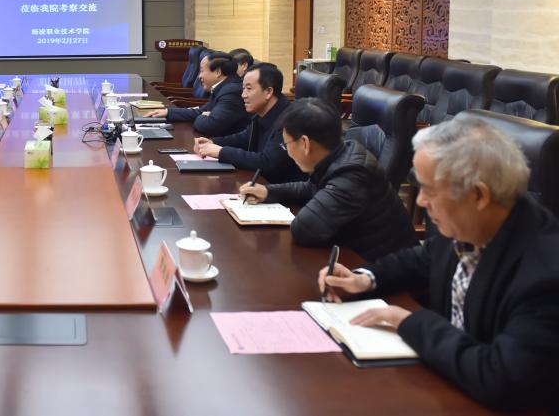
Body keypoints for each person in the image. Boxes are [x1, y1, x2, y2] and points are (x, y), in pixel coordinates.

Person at [318, 118, 559, 411]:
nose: (420, 201)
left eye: (429, 191)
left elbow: (503, 378)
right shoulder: (469, 226)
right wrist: (364, 279)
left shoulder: (546, 276)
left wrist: (409, 322)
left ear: (478, 195)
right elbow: (418, 260)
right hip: (450, 387)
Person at [239, 98, 416, 260]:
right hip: (354, 256)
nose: (288, 152)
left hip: (383, 270)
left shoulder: (352, 173)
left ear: (305, 143)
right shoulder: (344, 151)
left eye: (286, 145)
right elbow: (312, 187)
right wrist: (268, 191)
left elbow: (304, 229)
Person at [193, 62, 305, 183]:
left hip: (281, 190)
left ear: (268, 92)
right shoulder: (262, 113)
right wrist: (213, 142)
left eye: (249, 89)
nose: (243, 95)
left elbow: (267, 162)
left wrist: (221, 152)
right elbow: (245, 138)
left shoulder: (290, 120)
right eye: (243, 88)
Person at [145, 53, 249, 137]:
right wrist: (167, 112)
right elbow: (202, 111)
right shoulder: (224, 86)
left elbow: (210, 126)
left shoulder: (231, 92)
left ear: (218, 72)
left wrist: (202, 116)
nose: (199, 76)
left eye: (202, 71)